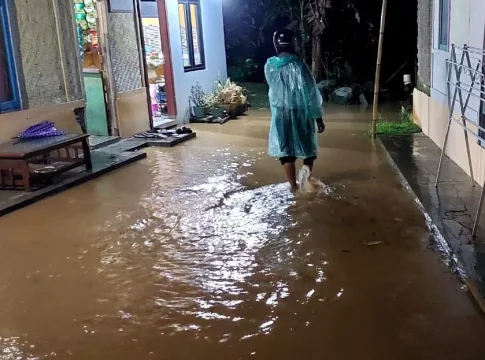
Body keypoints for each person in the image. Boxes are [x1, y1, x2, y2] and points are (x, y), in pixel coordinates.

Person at [265, 29, 325, 193]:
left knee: (286, 152)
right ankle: (305, 178)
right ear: (294, 44)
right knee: (308, 149)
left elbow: (274, 88)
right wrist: (318, 118)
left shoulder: (269, 66)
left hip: (281, 113)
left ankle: (293, 187)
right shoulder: (300, 66)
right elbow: (311, 93)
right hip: (301, 113)